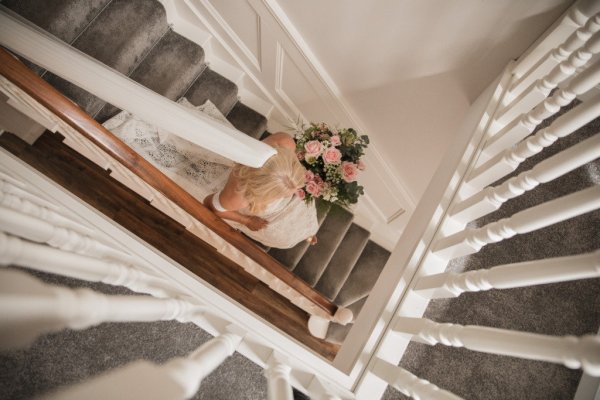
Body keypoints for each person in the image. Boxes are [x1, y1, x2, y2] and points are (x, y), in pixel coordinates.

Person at [103, 98, 318, 249]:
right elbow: (212, 207)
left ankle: (309, 233)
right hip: (258, 200)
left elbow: (277, 177)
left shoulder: (284, 143)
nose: (289, 193)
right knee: (280, 237)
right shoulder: (238, 193)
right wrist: (246, 222)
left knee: (302, 226)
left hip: (268, 182)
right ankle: (306, 234)